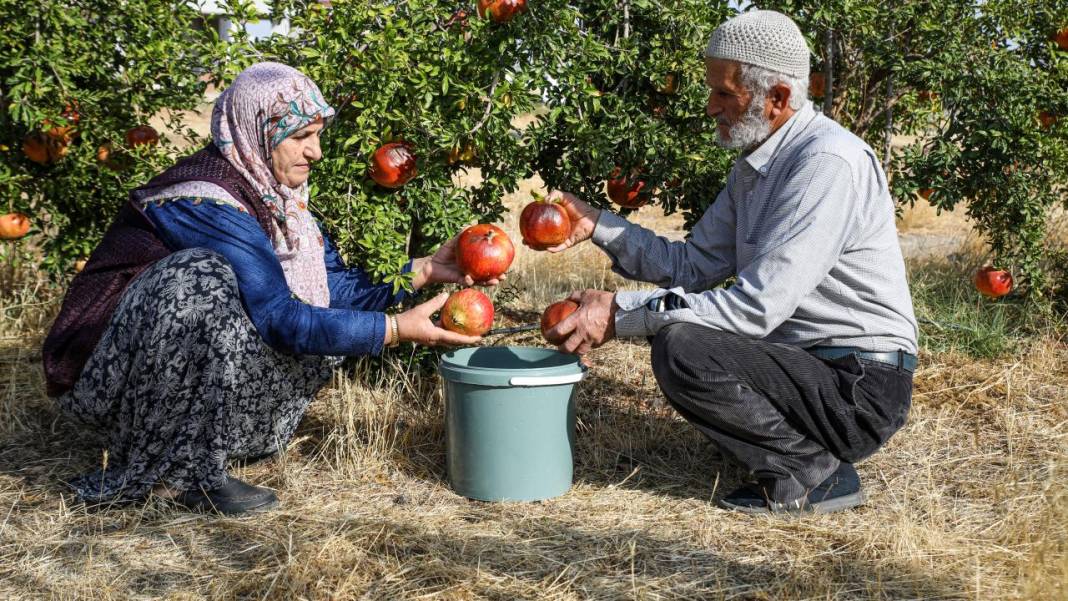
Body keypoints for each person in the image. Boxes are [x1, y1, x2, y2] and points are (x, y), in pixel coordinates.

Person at [42, 62, 487, 515]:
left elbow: (331, 289)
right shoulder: (202, 200)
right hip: (106, 379)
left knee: (264, 299)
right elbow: (279, 317)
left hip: (179, 388)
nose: (315, 152)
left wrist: (426, 269)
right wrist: (392, 330)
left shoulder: (281, 202)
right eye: (300, 137)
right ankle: (177, 476)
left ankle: (204, 448)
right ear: (257, 130)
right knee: (198, 276)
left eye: (317, 136)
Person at [540, 10, 918, 514]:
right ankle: (793, 451)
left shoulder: (826, 163)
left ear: (777, 98)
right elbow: (691, 264)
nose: (710, 107)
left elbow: (755, 308)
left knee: (682, 345)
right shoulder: (755, 166)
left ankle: (814, 473)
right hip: (807, 367)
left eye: (724, 93)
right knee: (683, 335)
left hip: (857, 385)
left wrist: (621, 313)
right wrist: (600, 226)